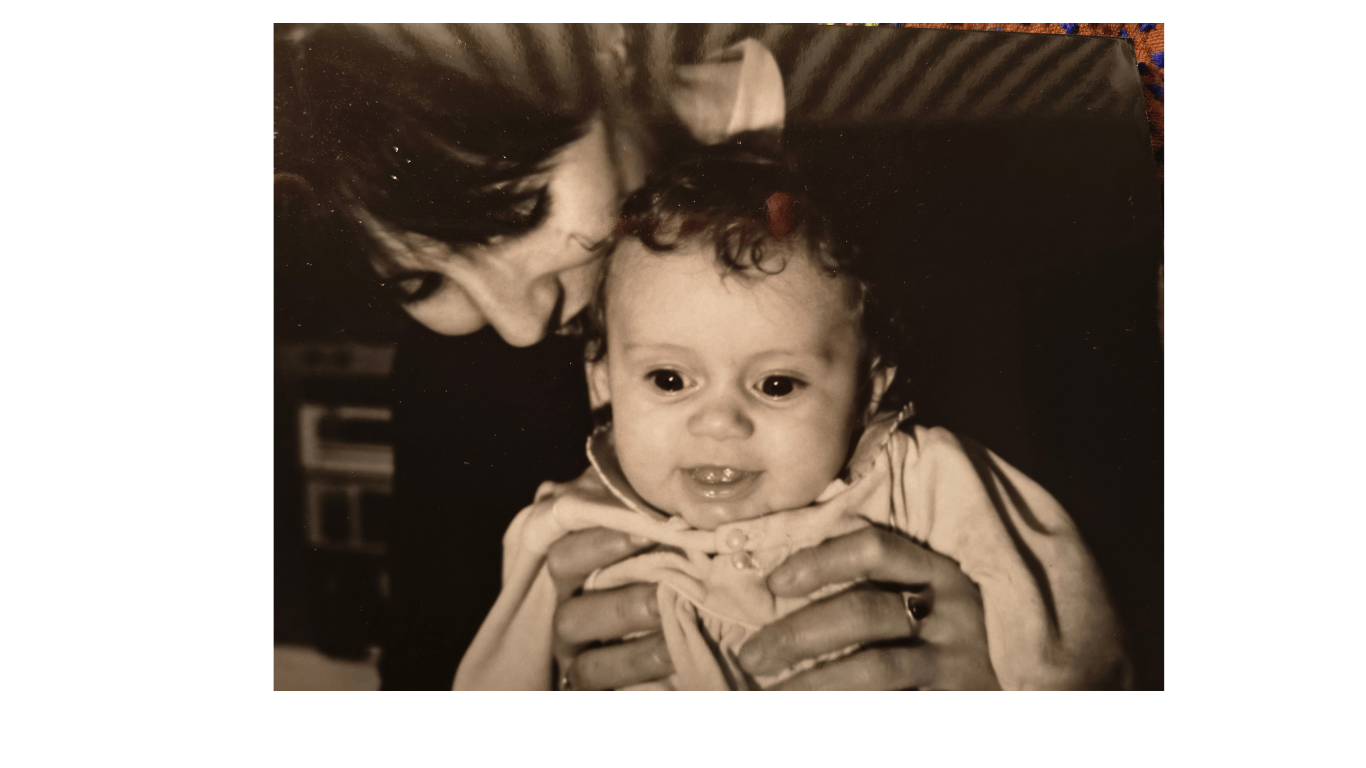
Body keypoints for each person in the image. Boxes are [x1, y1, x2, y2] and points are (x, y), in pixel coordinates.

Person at [274, 23, 1022, 691]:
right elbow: (426, 666)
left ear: (603, 45)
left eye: (521, 212)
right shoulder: (455, 371)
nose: (519, 328)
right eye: (420, 281)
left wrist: (995, 662)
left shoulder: (977, 158)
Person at [453, 152, 1132, 690]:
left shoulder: (923, 481)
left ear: (868, 388)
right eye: (669, 379)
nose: (719, 423)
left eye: (776, 384)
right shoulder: (569, 525)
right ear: (601, 379)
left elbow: (1063, 629)